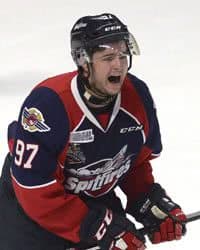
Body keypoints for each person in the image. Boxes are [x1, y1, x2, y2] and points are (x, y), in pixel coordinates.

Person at [0, 13, 187, 250]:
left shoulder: (137, 96)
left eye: (122, 55)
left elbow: (134, 162)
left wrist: (147, 200)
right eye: (108, 57)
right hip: (31, 213)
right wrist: (96, 226)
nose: (119, 64)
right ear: (83, 62)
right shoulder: (48, 104)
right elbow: (35, 191)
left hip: (93, 200)